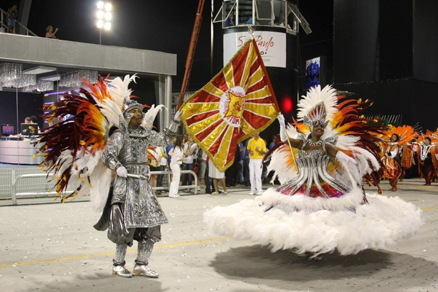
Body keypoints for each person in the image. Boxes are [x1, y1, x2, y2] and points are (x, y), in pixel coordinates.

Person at [205, 85, 423, 258]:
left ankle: (319, 244)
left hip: (326, 184)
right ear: (310, 127)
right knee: (290, 212)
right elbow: (285, 140)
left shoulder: (327, 145)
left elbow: (344, 156)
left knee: (325, 215)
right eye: (315, 126)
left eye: (321, 126)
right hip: (300, 183)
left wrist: (356, 162)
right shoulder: (302, 142)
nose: (318, 129)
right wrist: (281, 123)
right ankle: (301, 244)